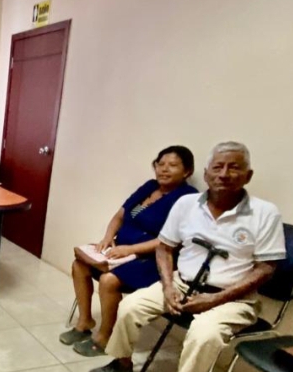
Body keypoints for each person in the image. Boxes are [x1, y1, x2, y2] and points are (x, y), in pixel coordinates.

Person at [89, 141, 286, 372]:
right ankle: (122, 363)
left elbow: (267, 267)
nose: (224, 174)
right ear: (206, 174)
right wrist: (168, 286)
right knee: (130, 306)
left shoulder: (265, 213)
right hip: (181, 283)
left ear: (248, 175)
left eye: (234, 167)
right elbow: (164, 247)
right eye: (217, 167)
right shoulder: (186, 204)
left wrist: (214, 300)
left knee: (204, 334)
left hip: (232, 298)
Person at [60, 146, 197, 356]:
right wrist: (108, 238)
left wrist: (130, 249)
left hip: (153, 260)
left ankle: (105, 337)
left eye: (172, 165)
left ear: (187, 171)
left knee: (108, 280)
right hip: (121, 251)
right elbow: (120, 215)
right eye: (160, 164)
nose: (164, 169)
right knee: (79, 265)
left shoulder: (188, 198)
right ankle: (84, 321)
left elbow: (171, 241)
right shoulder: (150, 186)